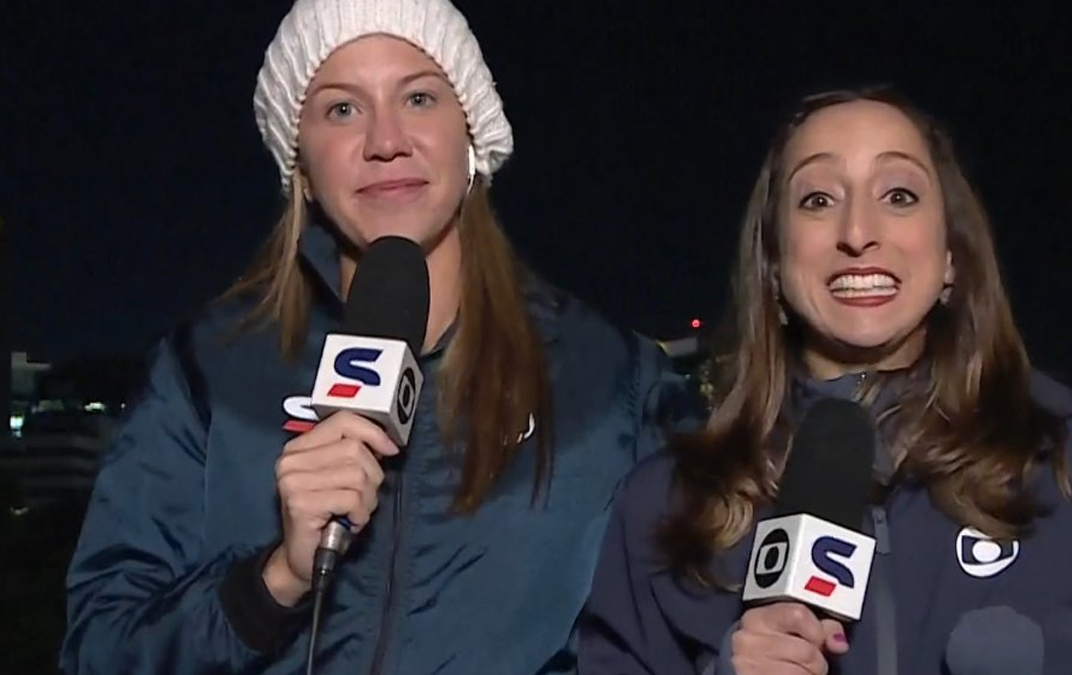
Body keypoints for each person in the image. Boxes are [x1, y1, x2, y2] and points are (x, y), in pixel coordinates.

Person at [57, 1, 697, 673]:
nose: (385, 139)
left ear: (472, 131)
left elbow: (684, 638)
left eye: (419, 97)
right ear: (299, 158)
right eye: (342, 109)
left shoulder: (614, 382)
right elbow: (102, 650)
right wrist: (275, 579)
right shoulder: (205, 371)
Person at [577, 86, 1072, 675]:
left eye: (898, 194)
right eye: (817, 199)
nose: (858, 233)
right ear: (771, 262)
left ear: (952, 255)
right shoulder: (665, 506)